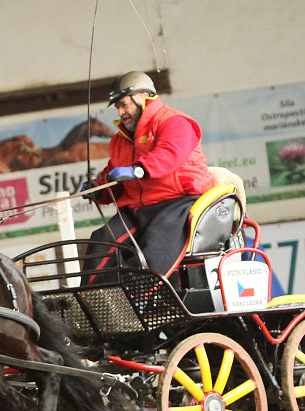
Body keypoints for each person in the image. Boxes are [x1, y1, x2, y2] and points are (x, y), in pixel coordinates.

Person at [80, 71, 215, 285]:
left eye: (124, 104)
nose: (120, 112)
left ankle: (137, 302)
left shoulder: (174, 122)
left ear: (143, 96)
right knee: (102, 240)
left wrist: (139, 169)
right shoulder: (119, 139)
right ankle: (91, 302)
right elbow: (113, 177)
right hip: (136, 210)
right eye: (117, 107)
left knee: (154, 251)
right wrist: (100, 189)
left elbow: (169, 154)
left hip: (178, 203)